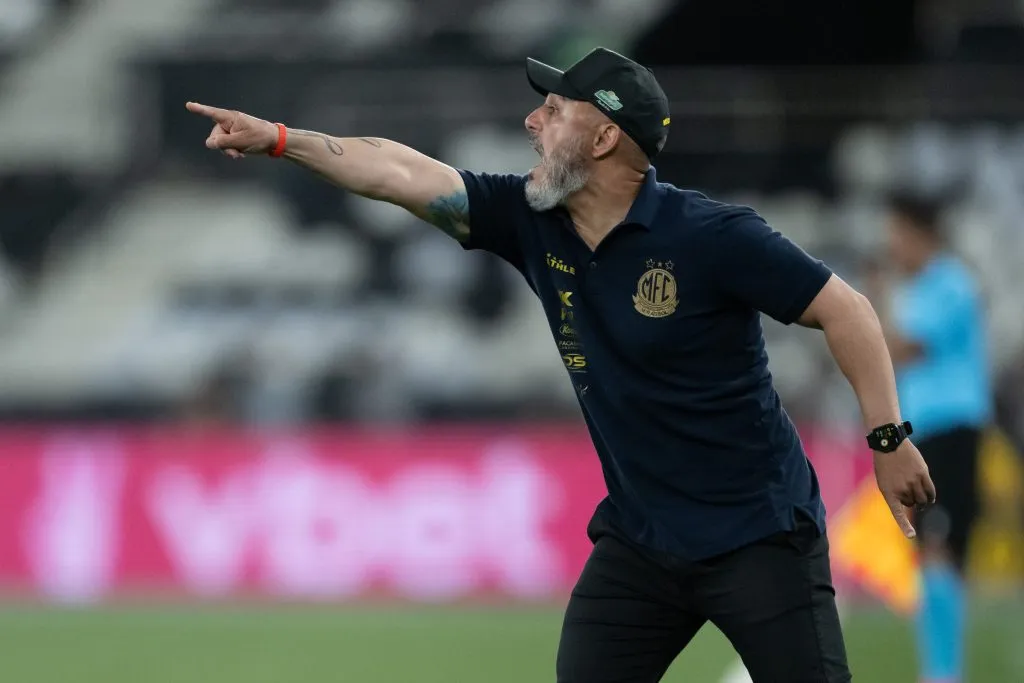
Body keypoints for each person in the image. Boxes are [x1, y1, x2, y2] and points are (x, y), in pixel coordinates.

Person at [186, 47, 935, 683]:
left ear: (605, 137)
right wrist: (283, 137)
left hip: (757, 534)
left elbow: (850, 311)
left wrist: (886, 437)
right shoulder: (529, 218)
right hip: (643, 546)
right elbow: (397, 171)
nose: (531, 122)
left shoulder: (713, 234)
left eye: (554, 110)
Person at [869, 192, 992, 683]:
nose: (892, 246)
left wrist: (870, 304)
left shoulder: (950, 284)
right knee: (935, 552)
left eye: (898, 234)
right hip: (928, 431)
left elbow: (903, 348)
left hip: (949, 431)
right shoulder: (920, 290)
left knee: (939, 546)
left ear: (921, 234)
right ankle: (942, 667)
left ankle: (943, 672)